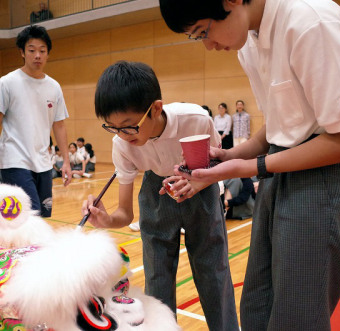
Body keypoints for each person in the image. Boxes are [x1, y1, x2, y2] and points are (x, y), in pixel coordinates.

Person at [159, 1, 340, 330]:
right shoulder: (249, 41)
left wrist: (246, 168)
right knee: (256, 305)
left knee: (296, 317)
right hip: (281, 172)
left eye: (204, 31)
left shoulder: (311, 21)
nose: (209, 45)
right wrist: (232, 155)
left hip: (325, 179)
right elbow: (279, 125)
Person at [82, 60, 238, 330]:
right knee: (157, 280)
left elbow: (221, 165)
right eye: (112, 127)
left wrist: (198, 182)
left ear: (155, 108)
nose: (122, 135)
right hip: (155, 192)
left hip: (200, 186)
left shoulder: (196, 119)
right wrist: (105, 220)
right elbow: (125, 214)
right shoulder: (122, 144)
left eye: (129, 126)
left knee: (213, 273)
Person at [0, 25, 72, 218]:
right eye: (31, 50)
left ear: (48, 54)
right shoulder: (7, 83)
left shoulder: (54, 87)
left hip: (44, 163)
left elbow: (59, 126)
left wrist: (66, 161)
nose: (37, 55)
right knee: (28, 219)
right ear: (22, 52)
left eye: (42, 51)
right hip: (15, 161)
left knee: (41, 218)